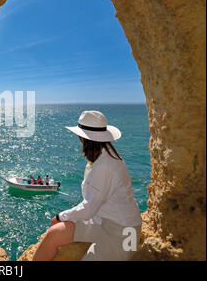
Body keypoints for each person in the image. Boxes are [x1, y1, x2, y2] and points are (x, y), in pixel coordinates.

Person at [33, 111, 142, 261]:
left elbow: (89, 207)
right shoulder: (104, 154)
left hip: (122, 233)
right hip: (103, 221)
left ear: (83, 138)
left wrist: (60, 216)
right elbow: (93, 206)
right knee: (54, 234)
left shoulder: (104, 166)